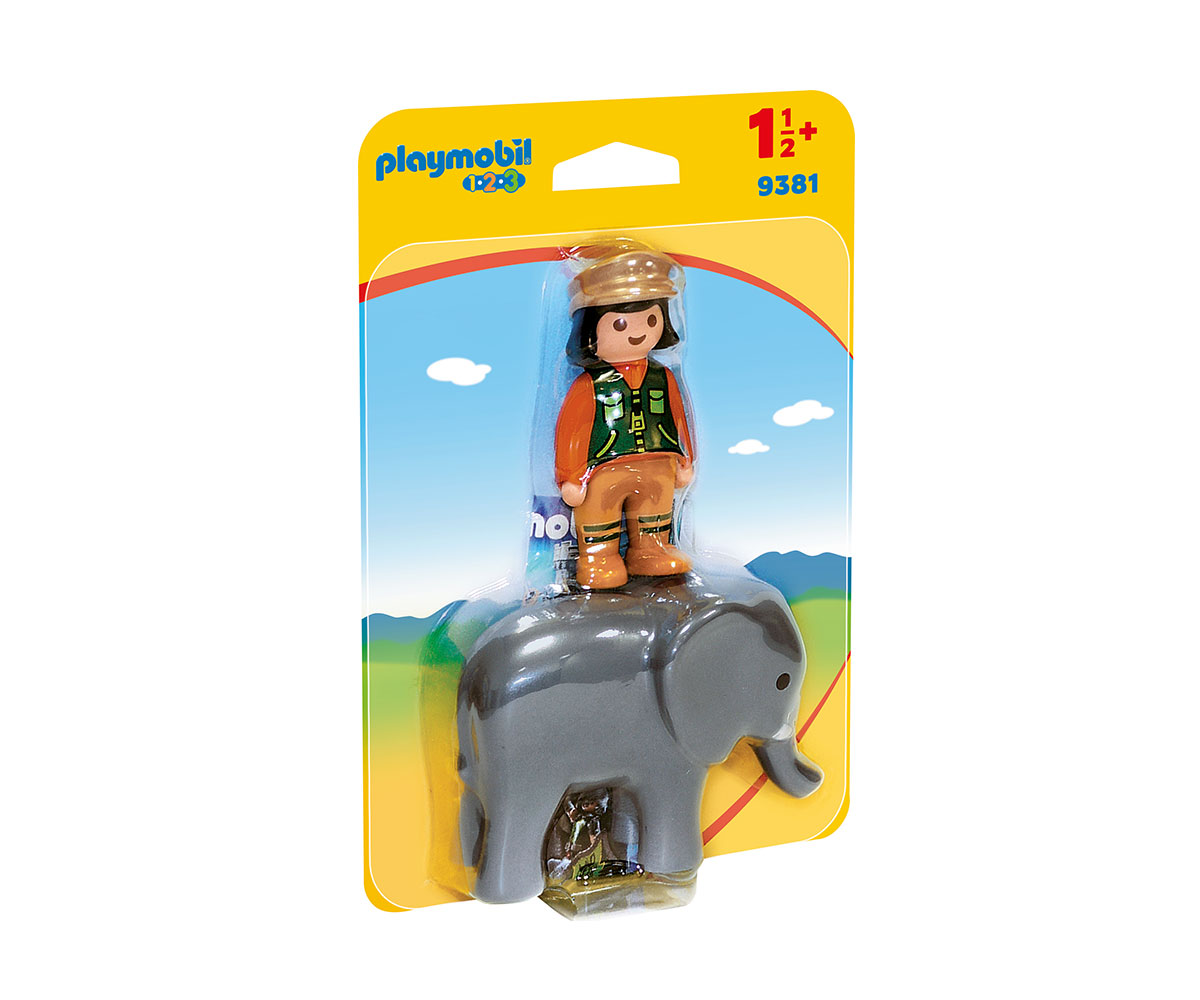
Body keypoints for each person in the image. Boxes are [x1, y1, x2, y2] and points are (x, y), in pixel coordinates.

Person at [554, 246, 696, 589]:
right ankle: (598, 557)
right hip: (603, 469)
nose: (638, 331)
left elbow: (679, 419)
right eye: (620, 323)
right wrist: (570, 476)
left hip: (658, 464)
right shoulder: (590, 385)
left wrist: (685, 459)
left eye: (650, 319)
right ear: (590, 330)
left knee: (654, 514)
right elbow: (571, 431)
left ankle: (651, 549)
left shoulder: (663, 377)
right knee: (599, 516)